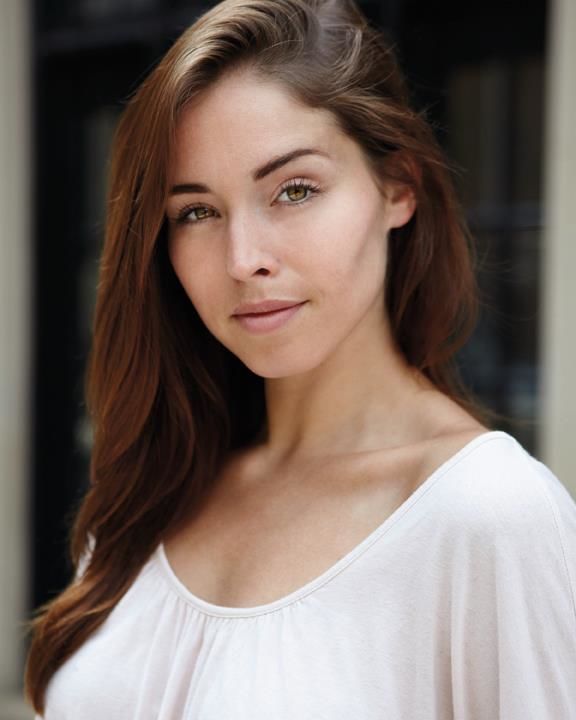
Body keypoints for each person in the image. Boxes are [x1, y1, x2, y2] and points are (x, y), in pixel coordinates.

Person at [25, 0, 576, 717]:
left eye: (294, 190)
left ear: (398, 187)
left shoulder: (489, 515)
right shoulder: (154, 488)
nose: (244, 259)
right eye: (197, 211)